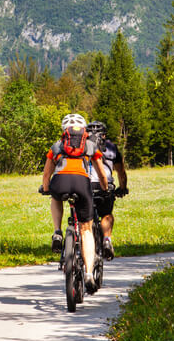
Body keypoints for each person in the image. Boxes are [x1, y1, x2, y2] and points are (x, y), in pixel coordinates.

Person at [40, 113, 111, 291]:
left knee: (55, 197)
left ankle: (57, 231)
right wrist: (104, 187)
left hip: (60, 182)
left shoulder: (57, 146)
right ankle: (88, 272)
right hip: (82, 184)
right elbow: (101, 173)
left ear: (65, 130)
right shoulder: (90, 145)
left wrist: (46, 188)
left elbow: (47, 174)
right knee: (86, 229)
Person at [86, 120, 128, 260]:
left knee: (85, 218)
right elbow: (121, 171)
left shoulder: (81, 146)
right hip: (104, 186)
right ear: (104, 135)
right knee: (106, 214)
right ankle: (107, 240)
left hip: (84, 185)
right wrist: (123, 188)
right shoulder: (111, 147)